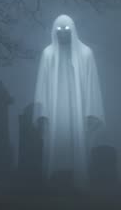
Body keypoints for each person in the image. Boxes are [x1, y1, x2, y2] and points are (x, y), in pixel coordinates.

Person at [32, 14, 104, 187]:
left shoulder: (86, 54)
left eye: (66, 30)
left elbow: (92, 85)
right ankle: (55, 181)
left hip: (78, 113)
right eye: (58, 30)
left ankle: (77, 182)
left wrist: (91, 113)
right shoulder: (48, 54)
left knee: (78, 145)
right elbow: (42, 85)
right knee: (55, 145)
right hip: (54, 113)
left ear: (73, 31)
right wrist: (42, 113)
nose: (62, 34)